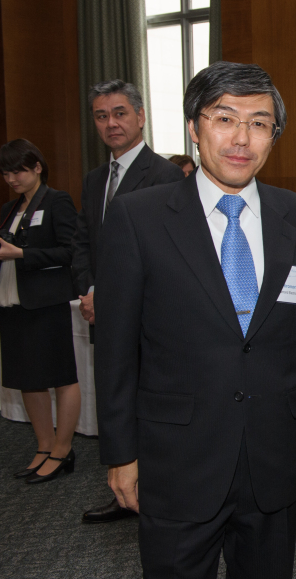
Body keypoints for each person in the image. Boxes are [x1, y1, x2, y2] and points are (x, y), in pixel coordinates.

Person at [94, 61, 296, 579]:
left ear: (274, 135)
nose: (241, 137)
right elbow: (114, 350)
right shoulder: (138, 219)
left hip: (274, 453)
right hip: (176, 459)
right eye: (224, 118)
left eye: (259, 122)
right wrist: (120, 453)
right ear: (193, 127)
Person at [74, 80, 184, 523]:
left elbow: (168, 258)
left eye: (120, 113)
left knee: (149, 404)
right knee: (116, 396)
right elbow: (84, 242)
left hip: (147, 319)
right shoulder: (94, 179)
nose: (111, 123)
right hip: (102, 311)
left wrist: (112, 296)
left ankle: (155, 492)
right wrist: (89, 288)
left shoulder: (164, 176)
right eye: (102, 116)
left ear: (141, 116)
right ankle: (125, 483)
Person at [0, 139, 81, 484]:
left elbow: (70, 251)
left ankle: (63, 449)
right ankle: (44, 446)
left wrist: (21, 255)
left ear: (36, 167)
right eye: (5, 172)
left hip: (47, 302)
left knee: (60, 376)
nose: (12, 178)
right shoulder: (8, 208)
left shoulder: (56, 200)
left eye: (18, 170)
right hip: (13, 303)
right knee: (27, 379)